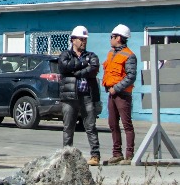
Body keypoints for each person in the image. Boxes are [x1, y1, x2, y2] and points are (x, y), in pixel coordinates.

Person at [59, 25, 102, 166]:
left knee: (90, 126)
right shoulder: (65, 54)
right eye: (81, 39)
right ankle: (67, 156)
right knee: (68, 127)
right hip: (69, 97)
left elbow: (94, 67)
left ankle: (95, 155)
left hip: (87, 96)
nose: (84, 42)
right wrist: (83, 63)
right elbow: (64, 66)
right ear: (73, 40)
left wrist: (77, 72)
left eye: (85, 39)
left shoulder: (91, 55)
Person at [102, 24, 137, 165]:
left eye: (112, 37)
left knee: (126, 124)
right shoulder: (111, 53)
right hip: (112, 93)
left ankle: (129, 155)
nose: (110, 39)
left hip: (122, 95)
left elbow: (131, 76)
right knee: (112, 124)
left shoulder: (129, 55)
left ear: (119, 38)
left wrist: (116, 88)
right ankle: (117, 153)